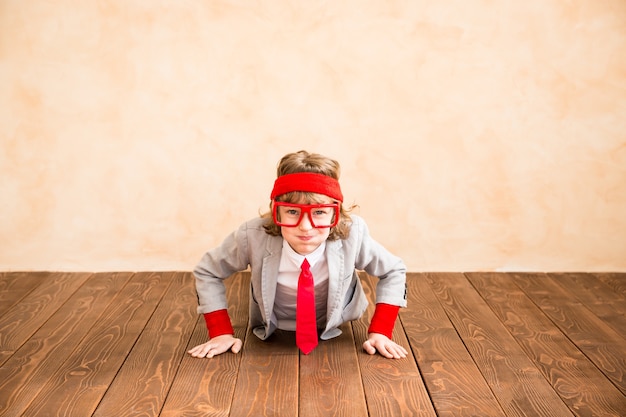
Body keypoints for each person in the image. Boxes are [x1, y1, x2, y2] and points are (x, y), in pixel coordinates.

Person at [188, 150, 408, 359]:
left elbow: (393, 270)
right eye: (292, 212)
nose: (305, 227)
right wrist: (220, 332)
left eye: (319, 212)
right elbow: (208, 271)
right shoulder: (252, 235)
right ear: (276, 211)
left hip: (336, 326)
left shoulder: (353, 234)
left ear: (336, 213)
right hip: (272, 331)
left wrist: (380, 331)